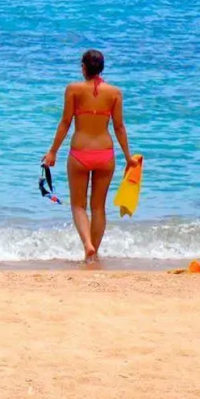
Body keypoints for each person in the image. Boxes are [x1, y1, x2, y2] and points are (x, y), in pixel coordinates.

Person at [43, 49, 133, 263]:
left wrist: (52, 151)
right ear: (101, 68)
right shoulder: (115, 93)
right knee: (99, 207)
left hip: (80, 153)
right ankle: (93, 254)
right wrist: (128, 157)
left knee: (78, 205)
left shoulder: (73, 89)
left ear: (84, 67)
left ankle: (87, 245)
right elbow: (119, 127)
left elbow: (65, 122)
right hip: (105, 154)